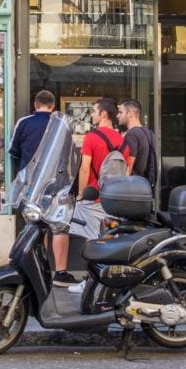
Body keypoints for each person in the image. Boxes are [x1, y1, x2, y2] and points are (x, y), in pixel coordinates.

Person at [51, 98, 128, 287]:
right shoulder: (122, 140)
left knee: (65, 227)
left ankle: (73, 275)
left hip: (92, 196)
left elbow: (84, 167)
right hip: (112, 197)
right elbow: (126, 171)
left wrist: (81, 193)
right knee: (105, 238)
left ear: (103, 115)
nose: (91, 115)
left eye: (94, 111)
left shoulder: (92, 137)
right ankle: (102, 277)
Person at [8, 90, 55, 175]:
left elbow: (13, 151)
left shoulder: (23, 122)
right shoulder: (60, 124)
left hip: (28, 176)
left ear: (35, 104)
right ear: (53, 106)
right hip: (51, 175)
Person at [117, 99, 158, 190]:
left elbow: (128, 166)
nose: (117, 116)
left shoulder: (132, 135)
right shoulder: (149, 133)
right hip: (145, 187)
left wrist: (121, 188)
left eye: (120, 112)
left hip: (133, 188)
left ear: (130, 114)